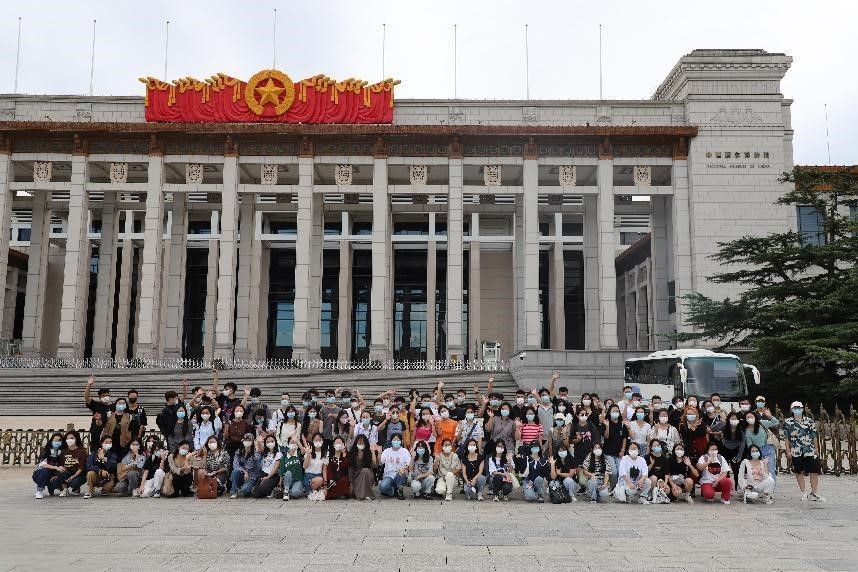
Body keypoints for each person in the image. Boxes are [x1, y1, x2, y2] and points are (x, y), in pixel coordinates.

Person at [783, 401, 825, 502]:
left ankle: (814, 493)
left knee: (814, 471)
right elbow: (786, 438)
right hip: (796, 450)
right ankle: (803, 492)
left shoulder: (809, 421)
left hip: (809, 449)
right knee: (799, 471)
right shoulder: (788, 422)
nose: (797, 409)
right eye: (795, 408)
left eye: (799, 407)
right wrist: (788, 451)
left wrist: (816, 448)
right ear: (792, 410)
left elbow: (814, 435)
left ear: (802, 409)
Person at [601, 404, 628, 490]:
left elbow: (624, 438)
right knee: (614, 472)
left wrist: (623, 450)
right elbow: (606, 436)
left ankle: (619, 488)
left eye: (617, 411)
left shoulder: (622, 424)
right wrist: (607, 426)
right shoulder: (606, 423)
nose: (615, 413)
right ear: (609, 412)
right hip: (608, 452)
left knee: (620, 471)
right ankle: (613, 487)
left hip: (619, 452)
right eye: (613, 411)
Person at [32, 432, 65, 499]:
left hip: (54, 474)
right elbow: (42, 464)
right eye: (55, 440)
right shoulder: (46, 450)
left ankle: (52, 487)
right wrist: (56, 467)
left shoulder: (63, 452)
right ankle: (39, 490)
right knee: (44, 471)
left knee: (58, 478)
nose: (57, 442)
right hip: (41, 474)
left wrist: (58, 473)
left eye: (59, 440)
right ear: (51, 440)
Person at [83, 375, 111, 451]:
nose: (105, 397)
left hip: (108, 435)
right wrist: (89, 384)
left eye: (107, 395)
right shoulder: (96, 405)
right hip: (96, 434)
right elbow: (86, 397)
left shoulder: (113, 407)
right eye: (103, 396)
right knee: (95, 452)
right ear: (100, 397)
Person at [379, 433, 411, 499]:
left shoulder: (404, 451)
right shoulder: (387, 451)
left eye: (398, 440)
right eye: (394, 440)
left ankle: (400, 491)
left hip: (400, 474)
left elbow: (409, 464)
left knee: (400, 474)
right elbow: (380, 462)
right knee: (382, 486)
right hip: (389, 475)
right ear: (391, 441)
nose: (396, 442)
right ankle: (393, 492)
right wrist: (379, 453)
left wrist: (403, 468)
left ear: (401, 441)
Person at [230, 433, 263, 498]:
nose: (247, 442)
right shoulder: (239, 452)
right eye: (246, 440)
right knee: (235, 471)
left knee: (244, 491)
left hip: (252, 477)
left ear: (252, 442)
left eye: (249, 440)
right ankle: (234, 492)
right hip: (242, 474)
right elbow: (235, 464)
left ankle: (248, 489)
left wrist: (256, 448)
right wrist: (244, 472)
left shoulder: (256, 452)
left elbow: (257, 460)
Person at [56, 431, 88, 496]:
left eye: (71, 438)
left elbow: (82, 467)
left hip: (79, 474)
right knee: (59, 472)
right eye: (67, 439)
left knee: (74, 482)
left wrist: (74, 476)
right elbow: (61, 464)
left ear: (76, 439)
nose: (69, 440)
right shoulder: (64, 451)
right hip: (68, 472)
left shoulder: (82, 451)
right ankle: (65, 489)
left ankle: (76, 488)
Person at [716, 411, 744, 483]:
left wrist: (739, 456)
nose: (734, 421)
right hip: (724, 449)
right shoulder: (724, 426)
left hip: (735, 450)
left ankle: (737, 485)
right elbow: (713, 429)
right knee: (725, 469)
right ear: (728, 419)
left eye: (735, 419)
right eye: (732, 419)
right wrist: (720, 423)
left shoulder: (740, 428)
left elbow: (742, 443)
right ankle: (727, 484)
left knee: (736, 469)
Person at [348, 434, 377, 501]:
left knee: (365, 470)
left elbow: (374, 466)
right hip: (356, 476)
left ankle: (367, 495)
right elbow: (350, 469)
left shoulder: (368, 453)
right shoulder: (352, 453)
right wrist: (351, 482)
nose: (361, 444)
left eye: (362, 443)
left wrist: (373, 452)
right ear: (356, 443)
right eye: (359, 443)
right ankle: (360, 494)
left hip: (367, 474)